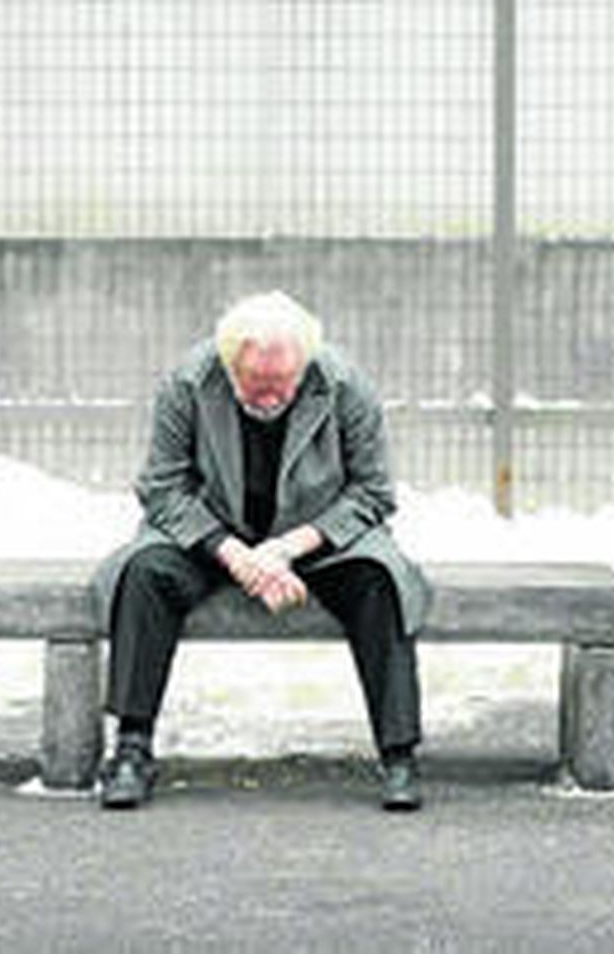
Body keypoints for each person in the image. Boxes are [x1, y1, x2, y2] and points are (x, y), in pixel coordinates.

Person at [91, 291, 429, 811]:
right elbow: (162, 488)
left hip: (316, 538)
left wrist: (285, 549)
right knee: (144, 573)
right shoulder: (189, 382)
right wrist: (235, 553)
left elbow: (373, 493)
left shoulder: (345, 385)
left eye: (283, 385)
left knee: (379, 581)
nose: (270, 398)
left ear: (304, 366)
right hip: (211, 533)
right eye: (257, 384)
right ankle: (132, 747)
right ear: (230, 366)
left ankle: (399, 754)